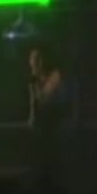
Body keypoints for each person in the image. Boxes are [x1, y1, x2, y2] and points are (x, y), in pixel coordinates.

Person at [27, 43, 74, 178]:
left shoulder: (55, 75)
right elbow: (34, 103)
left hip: (58, 118)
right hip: (46, 120)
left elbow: (45, 98)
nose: (34, 63)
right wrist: (32, 117)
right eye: (32, 59)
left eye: (37, 59)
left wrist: (36, 84)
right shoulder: (33, 80)